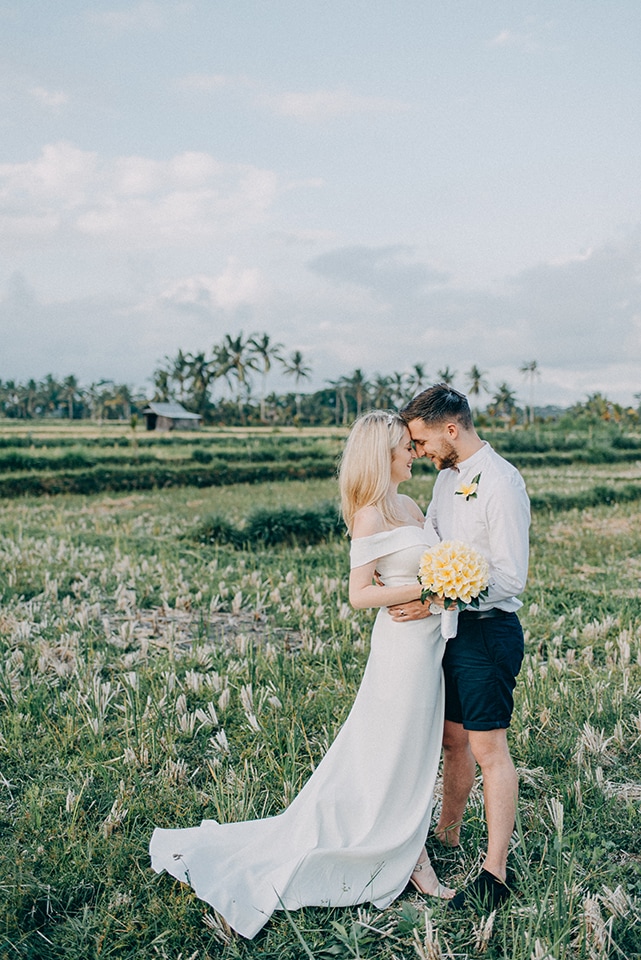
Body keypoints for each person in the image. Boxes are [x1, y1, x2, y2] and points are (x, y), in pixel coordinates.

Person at [149, 411, 454, 939]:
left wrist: (437, 597)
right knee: (392, 747)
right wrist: (420, 594)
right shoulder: (369, 515)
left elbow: (430, 572)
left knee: (416, 748)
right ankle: (411, 856)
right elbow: (360, 594)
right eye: (405, 447)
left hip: (429, 644)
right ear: (382, 456)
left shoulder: (410, 505)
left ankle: (409, 842)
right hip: (400, 650)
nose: (414, 454)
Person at [393, 384, 530, 911]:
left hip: (487, 630)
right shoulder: (445, 482)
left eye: (423, 440)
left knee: (488, 749)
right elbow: (432, 544)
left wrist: (437, 599)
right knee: (453, 740)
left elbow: (511, 577)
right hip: (449, 629)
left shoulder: (500, 482)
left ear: (451, 429)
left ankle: (495, 871)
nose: (419, 451)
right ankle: (448, 835)